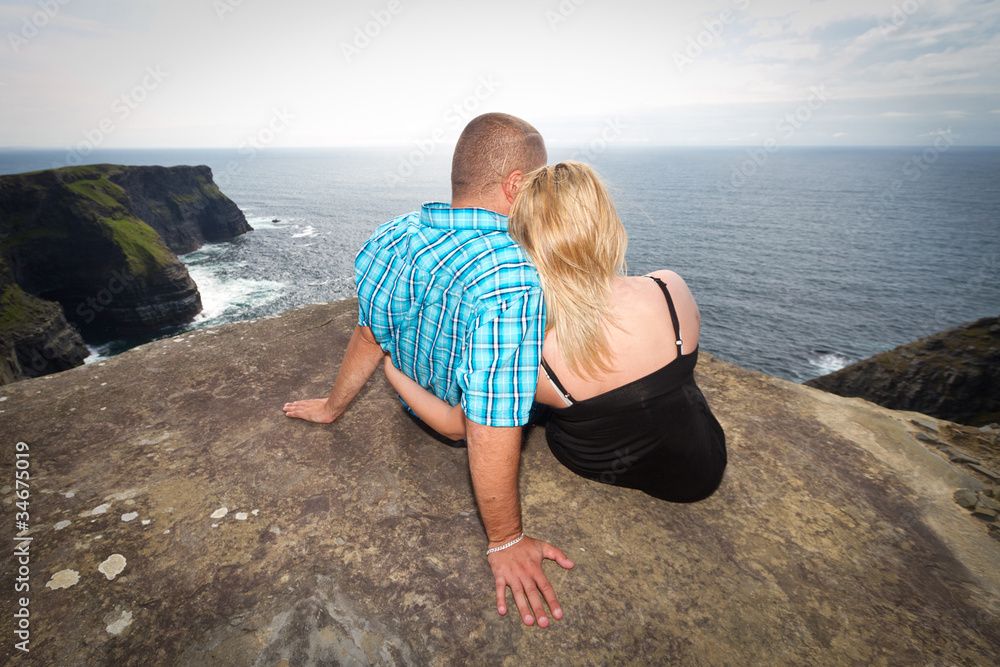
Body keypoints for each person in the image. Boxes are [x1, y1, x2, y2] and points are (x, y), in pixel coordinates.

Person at [283, 113, 574, 629]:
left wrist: (333, 408)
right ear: (514, 186)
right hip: (468, 417)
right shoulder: (514, 277)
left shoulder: (391, 236)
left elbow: (369, 332)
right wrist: (504, 538)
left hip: (418, 396)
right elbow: (492, 420)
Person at [383, 161, 727, 503]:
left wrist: (392, 370)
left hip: (594, 460)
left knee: (516, 402)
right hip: (704, 462)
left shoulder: (533, 349)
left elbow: (456, 425)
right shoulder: (669, 287)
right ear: (606, 222)